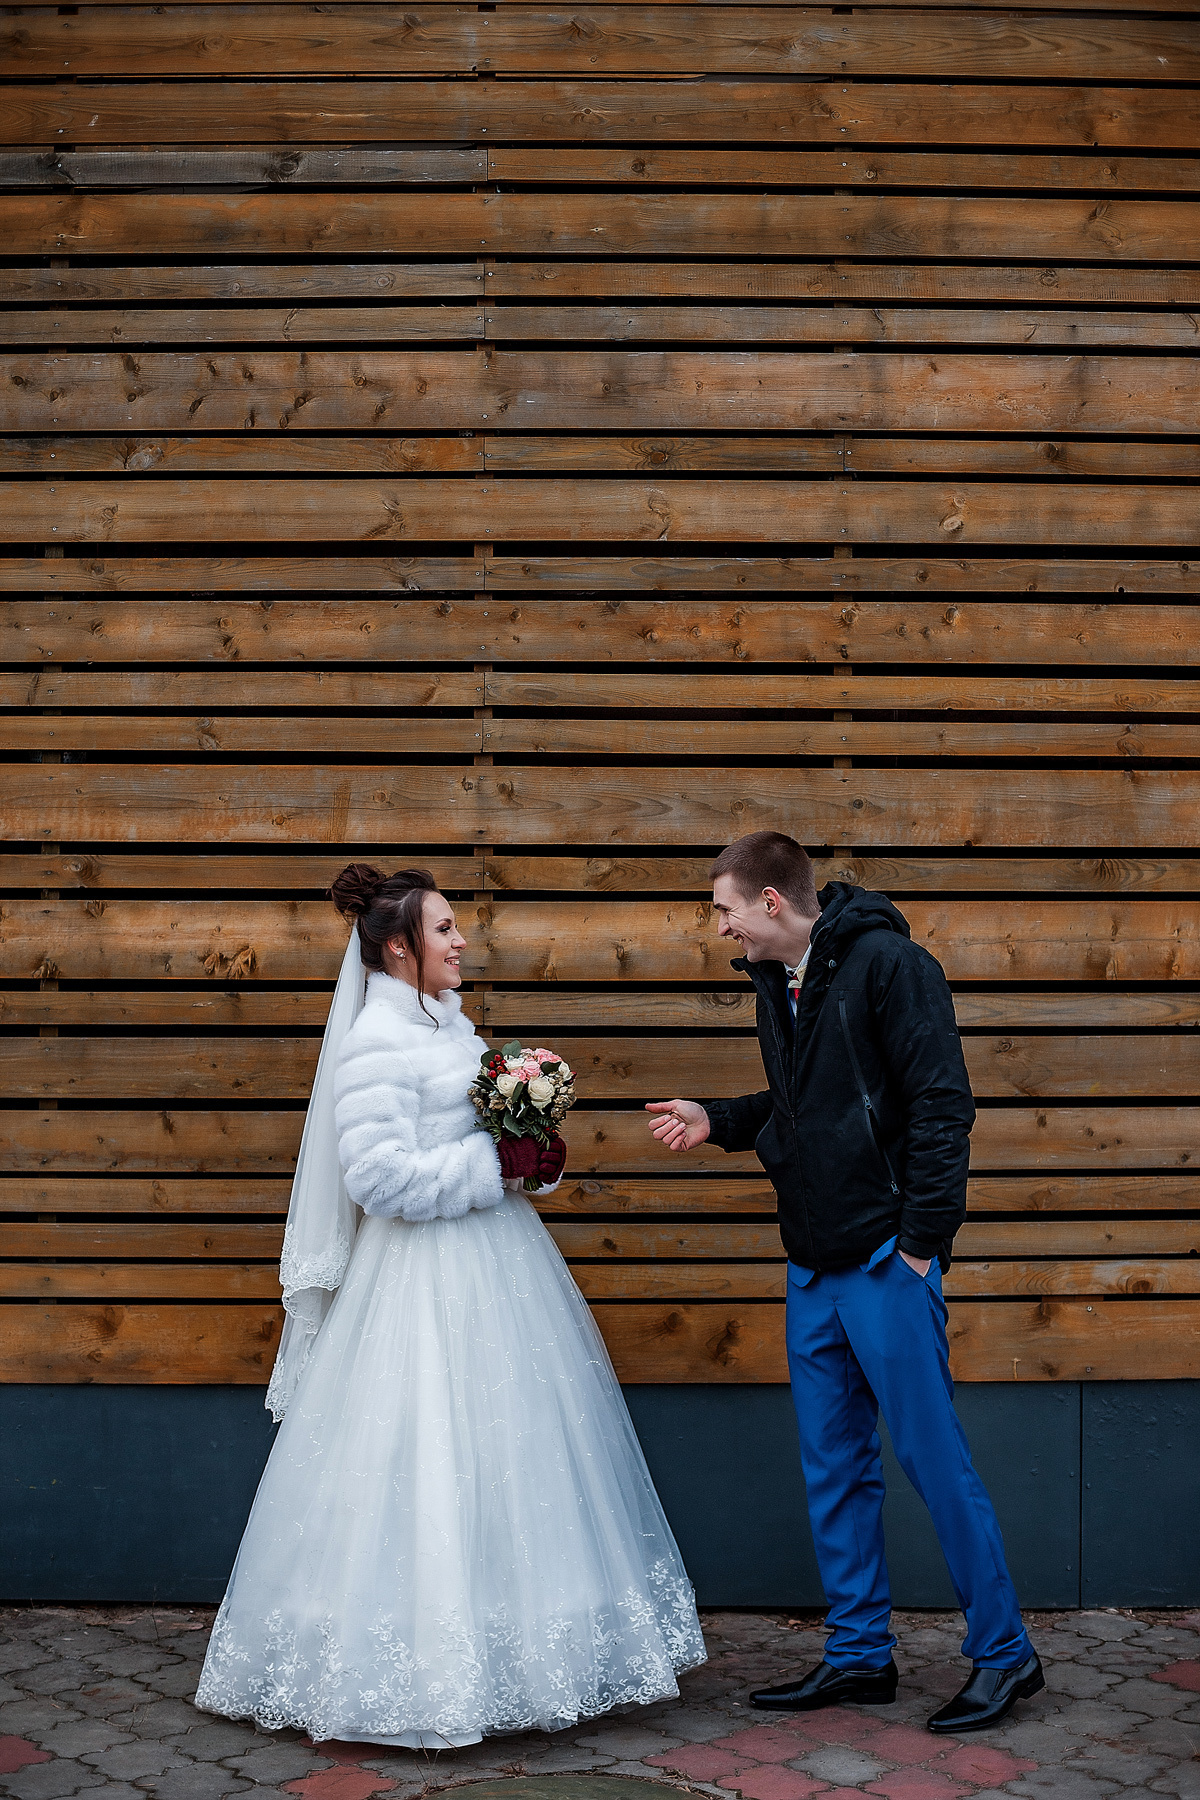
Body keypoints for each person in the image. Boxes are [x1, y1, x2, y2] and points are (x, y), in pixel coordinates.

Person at [196, 865, 705, 1749]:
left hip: (495, 1267)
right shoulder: (377, 1046)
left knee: (515, 1454)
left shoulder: (452, 1030)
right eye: (444, 930)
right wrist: (494, 1169)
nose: (460, 940)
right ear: (399, 948)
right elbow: (378, 1177)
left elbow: (480, 1146)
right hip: (415, 1282)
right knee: (420, 1453)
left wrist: (530, 1158)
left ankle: (524, 1656)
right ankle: (423, 1668)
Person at [645, 831, 1043, 1734]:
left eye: (725, 910)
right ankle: (860, 1657)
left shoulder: (893, 967)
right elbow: (808, 1107)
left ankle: (1007, 1656)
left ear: (772, 905)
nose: (720, 930)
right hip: (812, 1266)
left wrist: (921, 1244)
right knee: (834, 1469)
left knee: (934, 1465)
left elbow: (943, 1104)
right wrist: (718, 1118)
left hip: (882, 1262)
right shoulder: (778, 983)